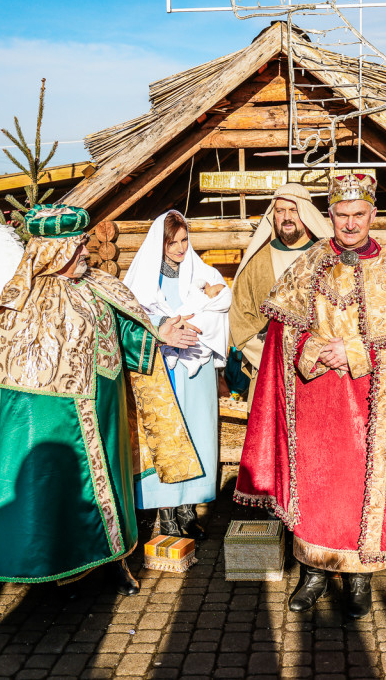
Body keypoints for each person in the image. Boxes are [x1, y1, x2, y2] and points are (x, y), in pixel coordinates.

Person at [235, 174, 386, 620]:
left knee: (358, 490)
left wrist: (354, 349)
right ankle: (313, 572)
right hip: (315, 399)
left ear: (372, 216)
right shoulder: (310, 261)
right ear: (330, 217)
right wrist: (313, 349)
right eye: (341, 216)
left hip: (371, 406)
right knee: (316, 486)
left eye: (358, 215)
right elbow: (283, 332)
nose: (350, 224)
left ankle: (359, 577)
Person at [0, 204, 203, 592]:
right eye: (76, 245)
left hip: (107, 407)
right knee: (61, 491)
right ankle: (58, 564)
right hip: (57, 417)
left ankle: (115, 560)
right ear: (53, 250)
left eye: (83, 244)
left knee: (113, 487)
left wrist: (159, 334)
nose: (85, 252)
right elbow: (13, 371)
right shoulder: (24, 299)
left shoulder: (100, 284)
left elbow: (124, 332)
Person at [124, 210, 231, 539]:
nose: (181, 248)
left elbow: (220, 307)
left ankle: (189, 510)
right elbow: (132, 317)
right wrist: (165, 328)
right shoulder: (143, 278)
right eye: (173, 242)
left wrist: (196, 325)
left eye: (185, 240)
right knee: (167, 438)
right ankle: (166, 513)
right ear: (160, 243)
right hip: (160, 372)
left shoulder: (203, 272)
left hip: (194, 371)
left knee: (196, 436)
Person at [229, 183, 333, 399]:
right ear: (273, 216)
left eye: (294, 210)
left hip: (321, 370)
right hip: (269, 370)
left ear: (306, 214)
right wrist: (273, 355)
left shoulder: (327, 259)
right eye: (280, 211)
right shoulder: (256, 263)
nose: (287, 217)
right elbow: (240, 320)